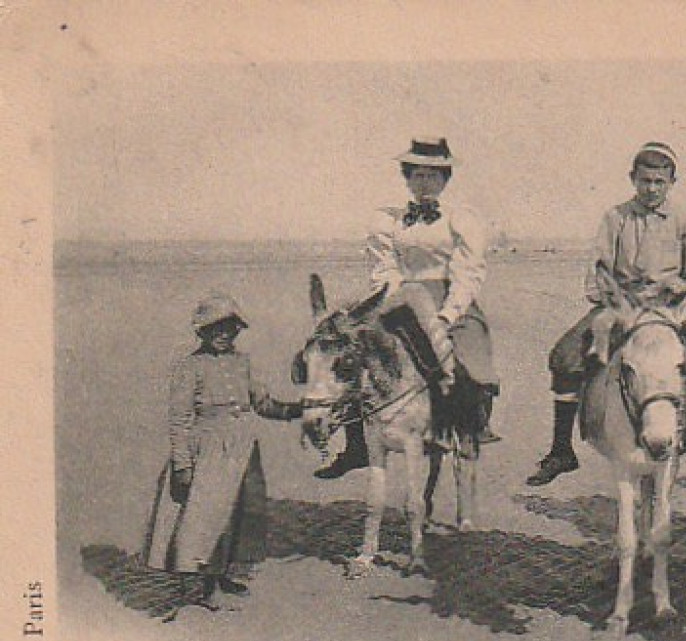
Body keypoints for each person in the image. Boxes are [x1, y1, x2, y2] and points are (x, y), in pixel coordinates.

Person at [315, 136, 497, 480]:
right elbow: (385, 267)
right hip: (400, 298)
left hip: (448, 298)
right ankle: (356, 443)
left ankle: (467, 428)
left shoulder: (461, 219)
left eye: (433, 176)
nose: (424, 183)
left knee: (470, 362)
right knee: (357, 352)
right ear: (408, 178)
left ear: (445, 179)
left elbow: (467, 272)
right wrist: (393, 299)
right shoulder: (390, 220)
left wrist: (447, 314)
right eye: (417, 175)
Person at [527, 142, 686, 486]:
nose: (651, 189)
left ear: (672, 182)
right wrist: (616, 299)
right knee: (565, 357)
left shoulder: (685, 221)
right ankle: (562, 449)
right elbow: (599, 270)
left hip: (669, 309)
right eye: (645, 180)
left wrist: (679, 291)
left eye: (659, 182)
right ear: (633, 179)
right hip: (622, 307)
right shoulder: (615, 218)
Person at [143, 294, 303, 610]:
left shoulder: (243, 363)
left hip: (243, 450)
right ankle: (204, 586)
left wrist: (299, 409)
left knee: (240, 514)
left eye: (229, 329)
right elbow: (179, 419)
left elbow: (263, 404)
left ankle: (224, 574)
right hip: (208, 452)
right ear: (202, 333)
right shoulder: (189, 367)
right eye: (216, 330)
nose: (224, 336)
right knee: (206, 518)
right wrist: (182, 463)